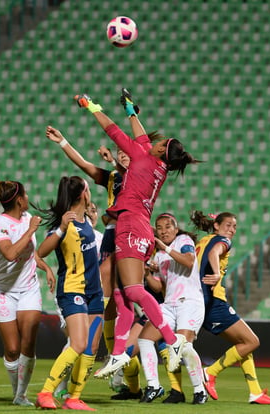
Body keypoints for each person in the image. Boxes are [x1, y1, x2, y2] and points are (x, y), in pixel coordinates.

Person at [74, 90, 199, 378]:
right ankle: (118, 354)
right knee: (121, 296)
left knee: (131, 290)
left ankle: (172, 340)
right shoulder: (155, 162)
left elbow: (112, 130)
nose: (155, 141)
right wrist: (131, 111)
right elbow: (140, 135)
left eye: (161, 141)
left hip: (131, 226)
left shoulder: (142, 158)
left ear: (161, 149)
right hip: (138, 225)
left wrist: (92, 107)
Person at [44, 123, 142, 399]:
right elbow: (85, 165)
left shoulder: (141, 179)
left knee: (118, 297)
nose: (124, 155)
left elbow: (136, 176)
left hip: (132, 237)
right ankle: (126, 377)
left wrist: (120, 162)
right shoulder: (113, 178)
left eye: (129, 153)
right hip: (114, 236)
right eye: (121, 152)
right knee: (104, 318)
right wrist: (63, 142)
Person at [0, 180, 55, 406]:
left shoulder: (26, 219)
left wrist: (45, 267)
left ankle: (20, 396)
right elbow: (11, 254)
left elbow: (28, 252)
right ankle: (18, 392)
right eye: (25, 195)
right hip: (3, 291)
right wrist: (32, 230)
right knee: (13, 349)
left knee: (28, 342)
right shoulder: (0, 225)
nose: (28, 198)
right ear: (19, 199)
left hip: (29, 290)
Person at [190, 211, 270, 405]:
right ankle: (210, 372)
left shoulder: (202, 241)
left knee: (243, 344)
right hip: (214, 302)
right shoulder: (222, 241)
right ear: (216, 225)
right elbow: (216, 252)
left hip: (198, 301)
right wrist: (216, 274)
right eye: (228, 225)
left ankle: (255, 392)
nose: (232, 230)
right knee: (252, 341)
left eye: (234, 227)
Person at [35, 176, 104, 411]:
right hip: (73, 291)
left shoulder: (86, 223)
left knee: (91, 347)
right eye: (88, 188)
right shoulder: (67, 224)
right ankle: (45, 392)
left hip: (95, 293)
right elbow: (41, 252)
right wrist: (62, 228)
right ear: (84, 194)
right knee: (77, 343)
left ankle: (74, 398)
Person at [138, 213, 207, 404]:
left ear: (176, 229)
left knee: (183, 346)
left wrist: (165, 248)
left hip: (190, 302)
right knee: (144, 339)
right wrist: (146, 274)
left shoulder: (183, 241)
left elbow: (189, 261)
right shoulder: (160, 256)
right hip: (170, 304)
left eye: (168, 227)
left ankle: (200, 390)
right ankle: (153, 385)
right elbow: (159, 287)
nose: (163, 231)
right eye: (159, 228)